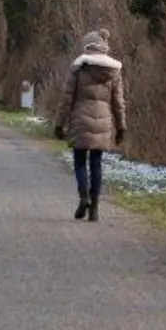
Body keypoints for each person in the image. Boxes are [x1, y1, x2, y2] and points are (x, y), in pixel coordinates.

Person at [52, 29, 127, 222]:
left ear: (87, 47)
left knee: (79, 162)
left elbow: (66, 98)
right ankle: (94, 209)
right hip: (103, 122)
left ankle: (84, 197)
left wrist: (59, 124)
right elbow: (118, 102)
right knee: (96, 164)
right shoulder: (114, 71)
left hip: (80, 120)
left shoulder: (78, 68)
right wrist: (121, 126)